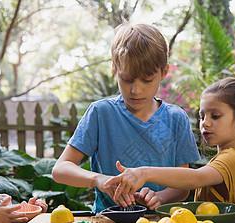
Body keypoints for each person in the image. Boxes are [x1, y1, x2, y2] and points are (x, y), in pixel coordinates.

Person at [52, 22, 200, 212]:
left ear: (164, 72)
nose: (136, 90)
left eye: (147, 80)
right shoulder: (100, 113)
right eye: (127, 79)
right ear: (115, 70)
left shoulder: (177, 118)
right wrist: (99, 179)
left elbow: (183, 184)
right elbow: (61, 169)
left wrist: (160, 197)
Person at [105, 77, 235, 206]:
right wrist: (159, 197)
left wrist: (143, 173)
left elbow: (195, 178)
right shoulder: (226, 158)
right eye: (202, 116)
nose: (205, 123)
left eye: (215, 116)